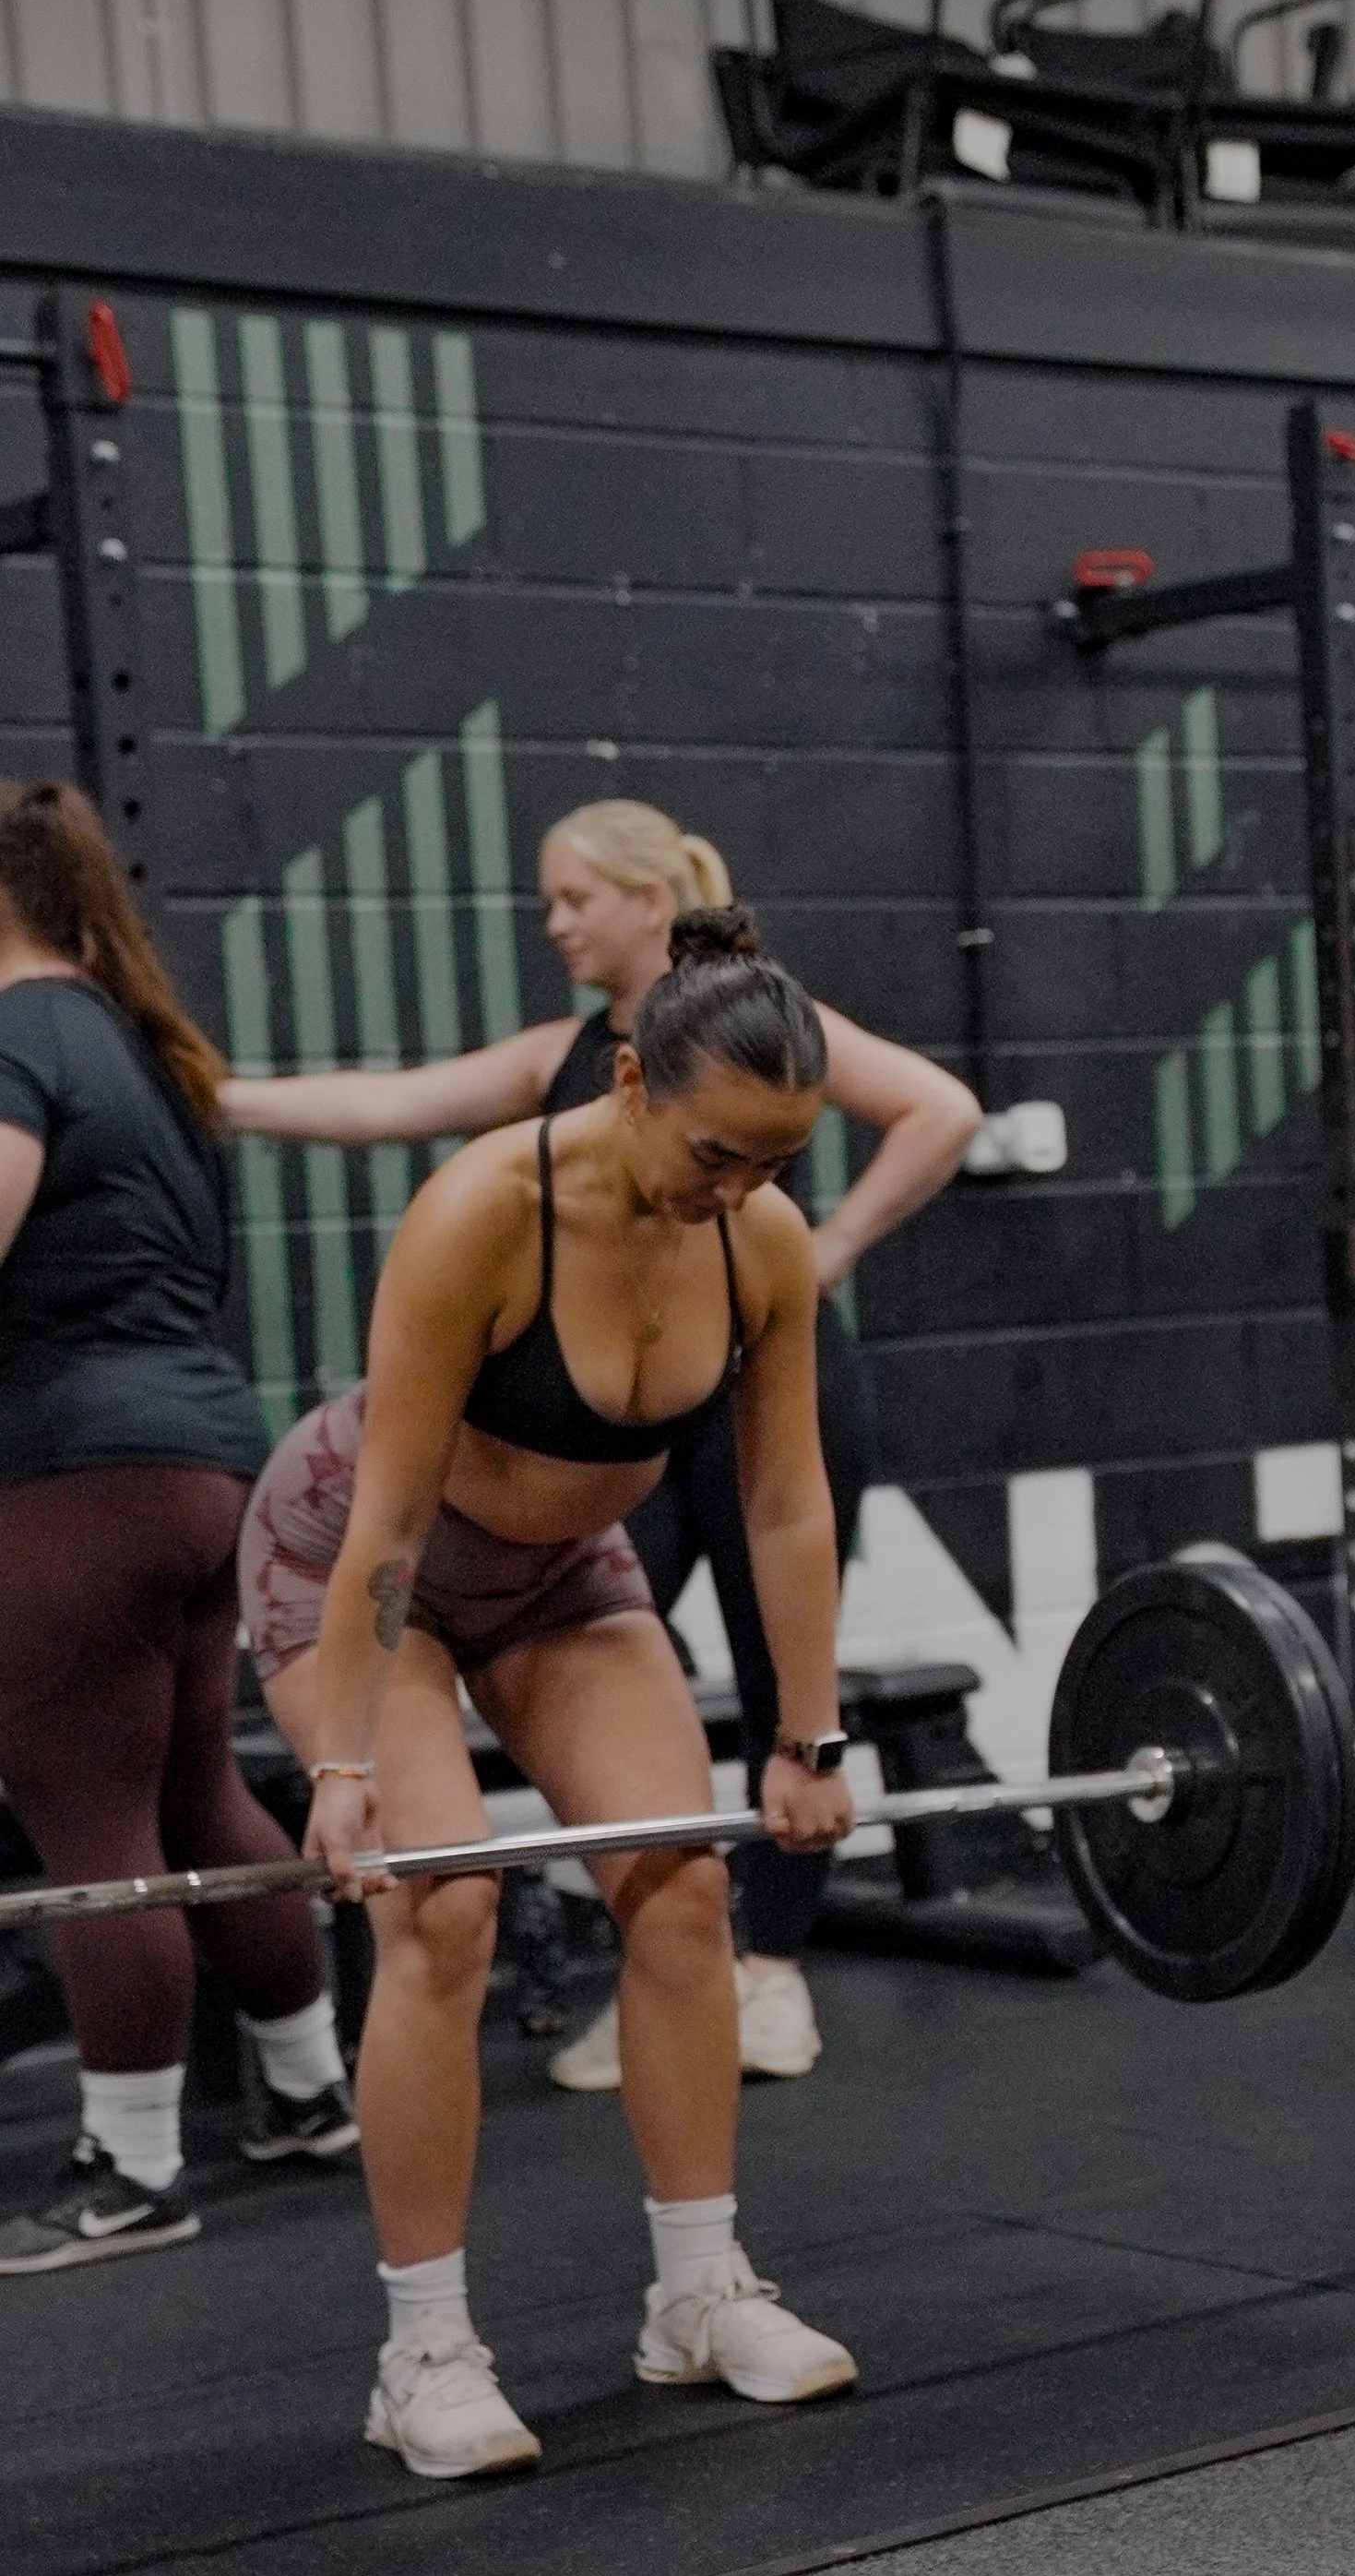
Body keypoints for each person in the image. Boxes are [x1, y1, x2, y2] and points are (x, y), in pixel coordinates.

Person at [224, 800, 981, 2089]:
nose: (558, 920)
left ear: (649, 896)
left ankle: (764, 1970)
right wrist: (206, 1090)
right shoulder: (562, 1061)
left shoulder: (763, 1034)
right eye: (551, 899)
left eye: (577, 895)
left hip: (738, 1383)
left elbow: (943, 1107)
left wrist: (830, 1245)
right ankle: (676, 1955)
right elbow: (381, 1103)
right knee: (614, 1651)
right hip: (580, 1424)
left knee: (776, 1659)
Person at [241, 908, 860, 2480]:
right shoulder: (480, 1213)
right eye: (719, 1151)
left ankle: (699, 2290)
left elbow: (785, 1500)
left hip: (562, 1573)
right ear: (633, 1074)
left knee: (676, 1888)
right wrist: (346, 1763)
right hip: (359, 1563)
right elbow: (381, 1524)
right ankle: (424, 2346)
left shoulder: (763, 1239)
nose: (743, 1188)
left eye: (776, 1162)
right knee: (440, 1912)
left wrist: (807, 1729)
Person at [0, 784, 352, 2280]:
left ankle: (135, 2163)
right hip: (211, 1466)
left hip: (82, 1480)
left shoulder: (16, 1034)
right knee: (202, 1792)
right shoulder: (148, 1049)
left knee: (92, 1827)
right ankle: (309, 2088)